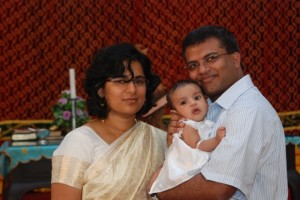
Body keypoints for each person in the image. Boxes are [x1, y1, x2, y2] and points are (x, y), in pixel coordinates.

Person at [151, 26, 287, 200]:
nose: (202, 70)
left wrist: (158, 190)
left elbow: (217, 189)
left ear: (235, 59)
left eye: (211, 58)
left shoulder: (247, 110)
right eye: (193, 65)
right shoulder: (206, 107)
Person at [51, 43, 167, 200]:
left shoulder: (160, 139)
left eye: (139, 81)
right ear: (101, 89)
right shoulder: (79, 142)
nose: (132, 89)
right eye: (121, 81)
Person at [148, 79, 225, 194]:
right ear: (176, 113)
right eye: (183, 102)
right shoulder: (188, 126)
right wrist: (216, 140)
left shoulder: (205, 122)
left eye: (197, 98)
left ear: (206, 101)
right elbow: (198, 145)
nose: (193, 103)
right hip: (187, 167)